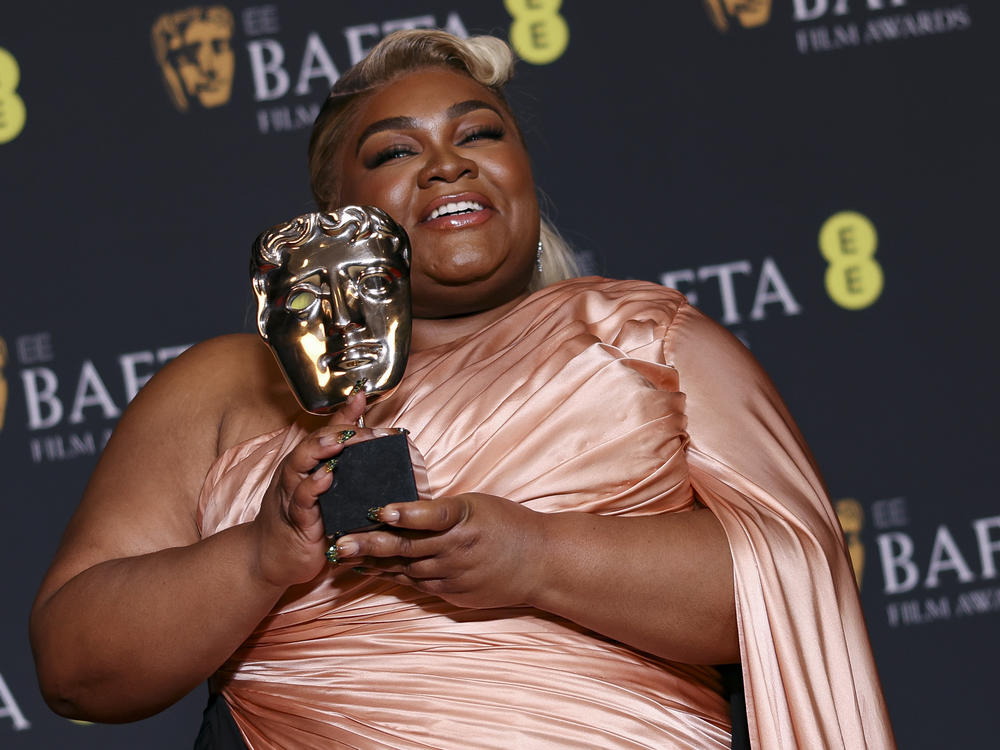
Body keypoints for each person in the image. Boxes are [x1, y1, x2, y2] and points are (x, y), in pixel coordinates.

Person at [30, 29, 895, 749]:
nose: (447, 166)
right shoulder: (222, 387)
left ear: (523, 171)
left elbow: (791, 586)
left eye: (479, 135)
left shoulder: (645, 340)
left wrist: (537, 557)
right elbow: (75, 669)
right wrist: (257, 557)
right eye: (396, 151)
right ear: (338, 212)